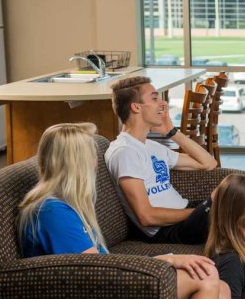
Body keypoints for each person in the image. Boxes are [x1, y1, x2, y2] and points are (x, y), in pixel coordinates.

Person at [104, 76, 245, 285]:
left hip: (189, 213)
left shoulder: (150, 147)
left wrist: (172, 132)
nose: (162, 104)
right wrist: (208, 209)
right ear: (136, 107)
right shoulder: (125, 152)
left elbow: (208, 163)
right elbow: (146, 216)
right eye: (154, 98)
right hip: (169, 228)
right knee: (233, 187)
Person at [18, 123, 230, 299]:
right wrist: (169, 259)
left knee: (222, 287)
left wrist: (165, 259)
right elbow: (96, 270)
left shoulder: (66, 204)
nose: (95, 163)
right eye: (91, 156)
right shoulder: (52, 213)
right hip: (100, 286)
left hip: (107, 280)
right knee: (206, 276)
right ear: (77, 162)